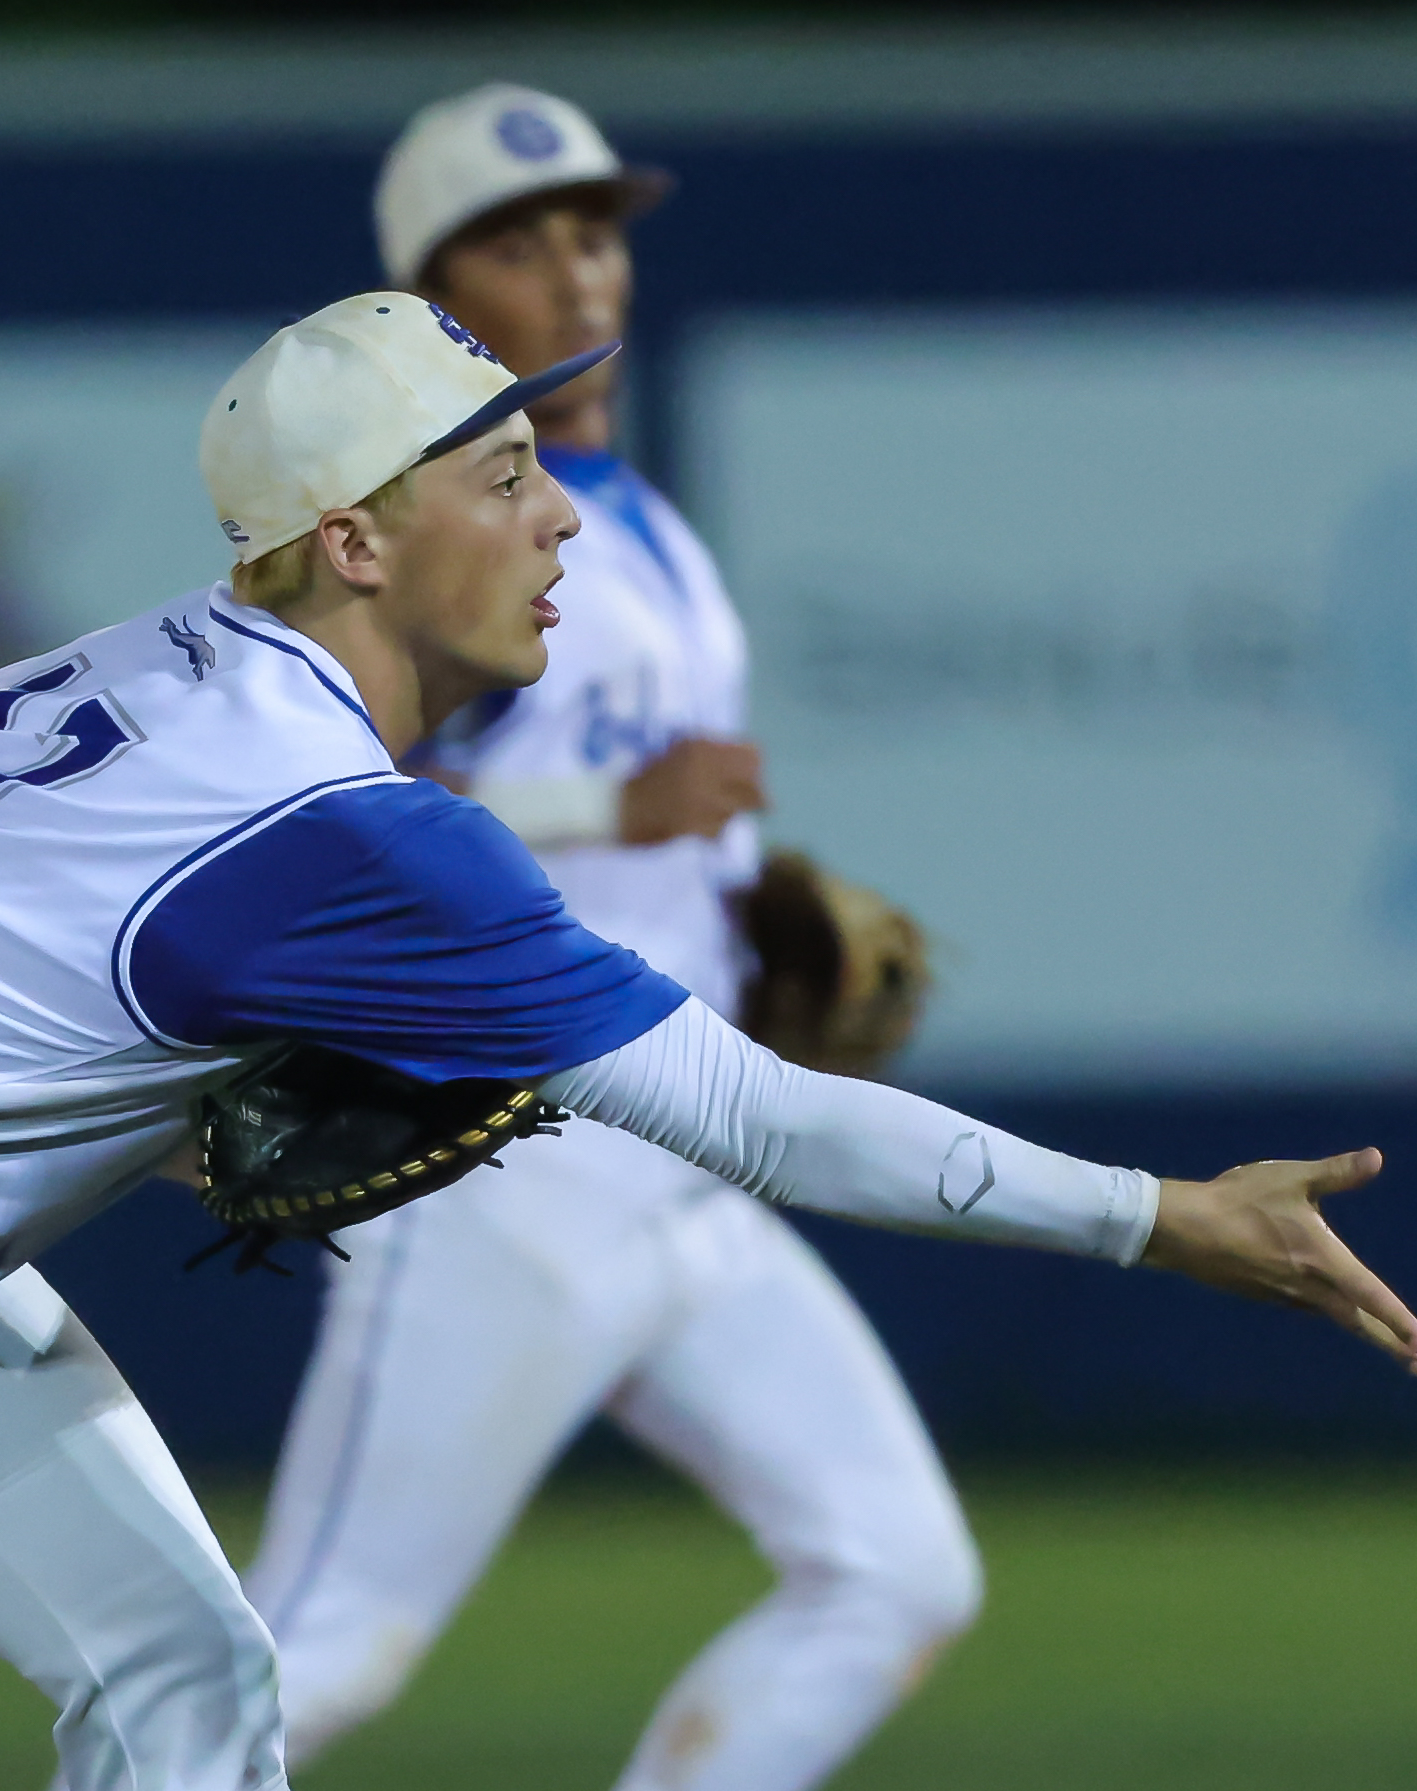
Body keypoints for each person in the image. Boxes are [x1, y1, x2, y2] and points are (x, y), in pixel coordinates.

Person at [0, 290, 1417, 1791]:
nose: (556, 516)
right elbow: (759, 1117)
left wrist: (174, 1104)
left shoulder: (137, 664)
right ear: (354, 540)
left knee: (190, 1683)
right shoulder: (343, 830)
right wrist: (1162, 1215)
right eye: (496, 475)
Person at [236, 84, 968, 1791]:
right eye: (518, 240)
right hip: (506, 1168)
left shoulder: (635, 516)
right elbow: (308, 814)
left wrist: (728, 902)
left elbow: (643, 798)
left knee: (893, 1570)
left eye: (593, 230)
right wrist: (608, 820)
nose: (576, 271)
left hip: (680, 1153)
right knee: (319, 1653)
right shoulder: (418, 526)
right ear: (428, 295)